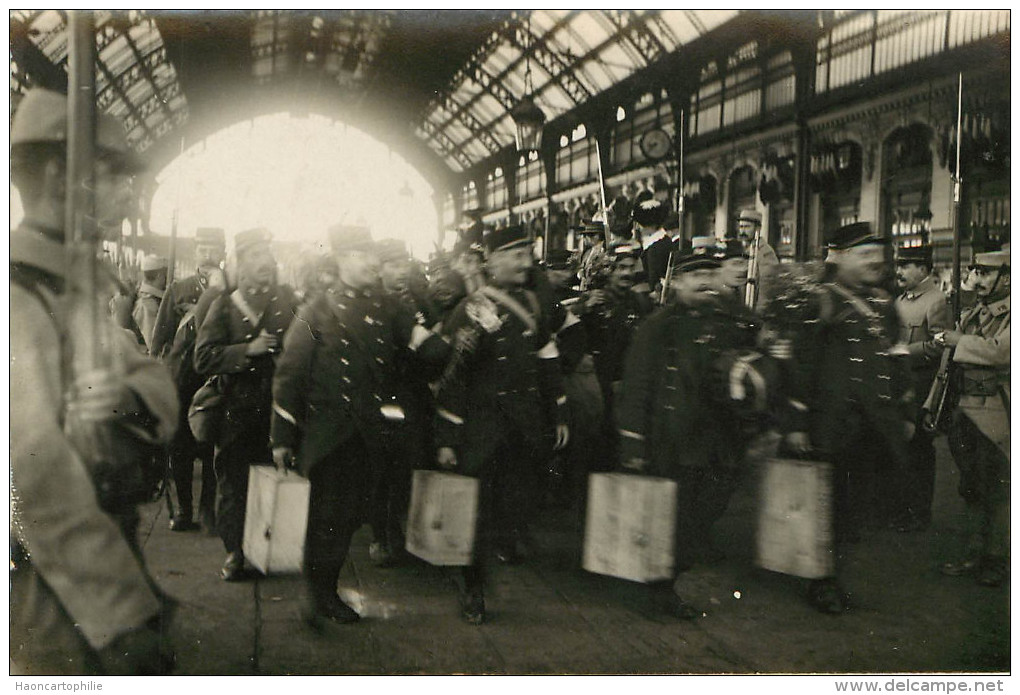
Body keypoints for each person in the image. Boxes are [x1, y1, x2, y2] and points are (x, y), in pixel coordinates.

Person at [10, 87, 178, 675]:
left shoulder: (72, 284)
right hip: (54, 583)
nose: (127, 189)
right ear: (62, 176)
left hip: (96, 547)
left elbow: (150, 376)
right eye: (110, 174)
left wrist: (128, 397)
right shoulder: (19, 294)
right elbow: (31, 482)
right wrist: (124, 615)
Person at [270, 226, 451, 626]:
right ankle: (321, 594)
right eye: (361, 255)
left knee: (351, 515)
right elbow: (290, 374)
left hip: (373, 432)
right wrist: (282, 437)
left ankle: (322, 589)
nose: (371, 262)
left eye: (373, 254)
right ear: (341, 261)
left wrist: (452, 337)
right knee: (328, 517)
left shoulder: (392, 308)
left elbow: (429, 349)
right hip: (330, 434)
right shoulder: (316, 310)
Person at [766, 221, 914, 614]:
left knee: (855, 506)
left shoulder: (885, 304)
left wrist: (905, 409)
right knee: (825, 504)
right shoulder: (821, 302)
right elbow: (799, 365)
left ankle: (838, 573)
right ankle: (822, 582)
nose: (875, 263)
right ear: (841, 257)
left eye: (878, 256)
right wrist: (796, 422)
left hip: (872, 425)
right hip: (831, 424)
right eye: (864, 255)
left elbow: (897, 360)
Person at [434, 225, 570, 624]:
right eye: (514, 254)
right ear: (491, 261)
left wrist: (559, 411)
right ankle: (471, 587)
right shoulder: (474, 308)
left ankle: (496, 551)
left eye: (527, 253)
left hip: (523, 428)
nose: (524, 261)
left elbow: (548, 359)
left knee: (513, 503)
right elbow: (454, 377)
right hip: (483, 431)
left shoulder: (532, 300)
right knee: (475, 513)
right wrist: (447, 437)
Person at [615, 250, 754, 619]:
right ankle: (660, 591)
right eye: (696, 276)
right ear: (675, 282)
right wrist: (633, 440)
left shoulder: (731, 323)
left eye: (711, 273)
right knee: (672, 520)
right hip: (672, 441)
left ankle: (667, 576)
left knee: (706, 512)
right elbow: (637, 386)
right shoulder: (658, 326)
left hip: (718, 440)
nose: (706, 282)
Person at [194, 227, 299, 581]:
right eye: (254, 257)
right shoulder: (223, 304)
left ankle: (268, 546)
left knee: (273, 479)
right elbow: (203, 358)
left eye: (267, 256)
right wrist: (246, 351)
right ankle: (235, 552)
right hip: (235, 413)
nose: (263, 263)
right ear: (240, 262)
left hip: (276, 411)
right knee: (234, 486)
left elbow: (308, 343)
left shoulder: (287, 302)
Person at [938, 245, 1010, 588]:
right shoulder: (973, 313)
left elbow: (1002, 353)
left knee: (997, 488)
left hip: (998, 412)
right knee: (971, 485)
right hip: (965, 408)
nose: (977, 280)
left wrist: (959, 340)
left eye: (986, 273)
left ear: (1006, 277)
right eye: (976, 272)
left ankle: (995, 558)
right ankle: (974, 551)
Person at [892, 244, 950, 531]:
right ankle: (900, 509)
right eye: (899, 265)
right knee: (899, 447)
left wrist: (905, 350)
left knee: (919, 451)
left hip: (921, 385)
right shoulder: (901, 300)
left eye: (905, 266)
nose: (899, 271)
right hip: (900, 385)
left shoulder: (936, 301)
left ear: (924, 270)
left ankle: (918, 514)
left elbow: (942, 345)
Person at [150, 227, 227, 359]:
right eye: (202, 251)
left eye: (214, 252)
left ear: (223, 255)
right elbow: (160, 340)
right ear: (194, 253)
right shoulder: (177, 290)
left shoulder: (232, 289)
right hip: (184, 370)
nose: (208, 256)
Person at [732, 208, 780, 306]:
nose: (742, 231)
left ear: (757, 228)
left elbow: (768, 285)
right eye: (741, 227)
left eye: (747, 227)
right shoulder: (743, 249)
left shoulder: (765, 251)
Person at [631, 191, 675, 292]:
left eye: (640, 225)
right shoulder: (665, 241)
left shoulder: (654, 249)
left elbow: (653, 282)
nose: (638, 228)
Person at [132, 254, 168, 353]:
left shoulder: (151, 298)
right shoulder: (147, 303)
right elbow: (153, 342)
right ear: (160, 276)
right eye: (165, 275)